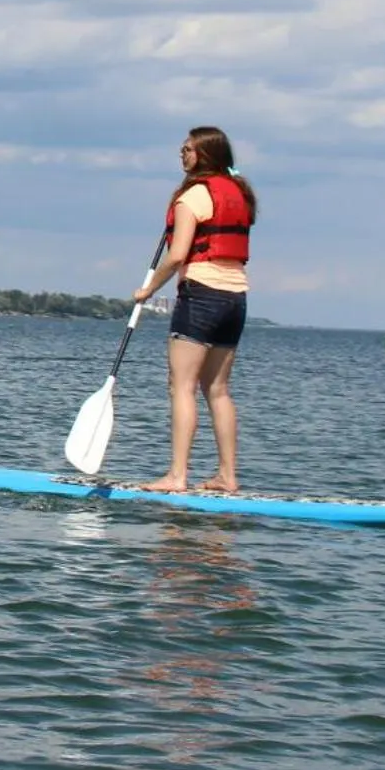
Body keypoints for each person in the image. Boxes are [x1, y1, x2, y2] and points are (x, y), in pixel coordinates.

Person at [132, 126, 257, 494]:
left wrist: (148, 290)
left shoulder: (194, 197)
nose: (181, 155)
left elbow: (177, 255)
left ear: (204, 155)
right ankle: (228, 477)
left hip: (201, 294)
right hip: (236, 299)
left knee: (181, 386)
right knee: (217, 389)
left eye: (187, 150)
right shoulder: (239, 194)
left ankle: (177, 476)